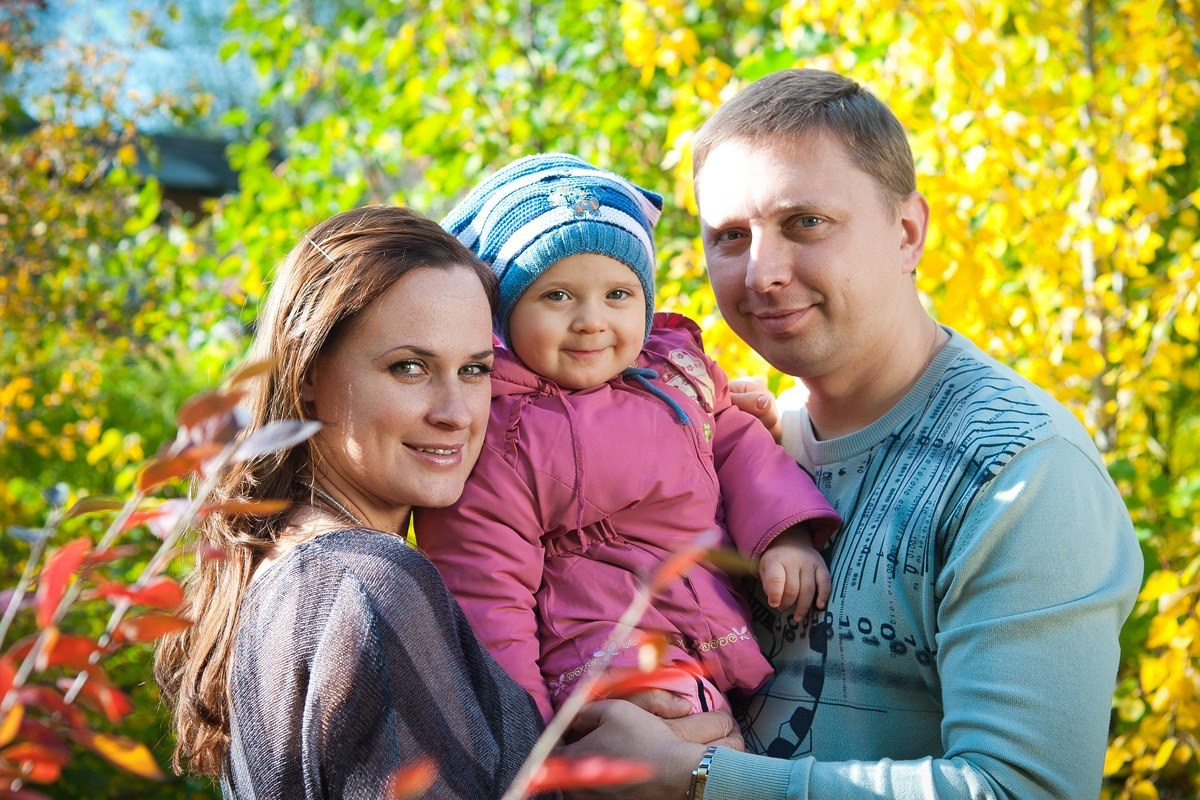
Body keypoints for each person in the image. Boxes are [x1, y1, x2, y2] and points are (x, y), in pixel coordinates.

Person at [561, 68, 1143, 799]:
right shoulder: (739, 445)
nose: (762, 272)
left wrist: (699, 777)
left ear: (906, 233)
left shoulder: (1020, 472)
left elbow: (1024, 790)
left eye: (805, 223)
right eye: (730, 237)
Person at [414, 154, 842, 723]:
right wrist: (527, 737)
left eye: (618, 294)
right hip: (604, 655)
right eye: (557, 297)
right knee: (680, 748)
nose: (592, 320)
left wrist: (784, 536)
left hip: (702, 627)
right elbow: (488, 593)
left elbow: (741, 448)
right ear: (504, 315)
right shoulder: (502, 431)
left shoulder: (678, 371)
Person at [154, 206, 543, 799]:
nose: (455, 412)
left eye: (474, 369)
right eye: (409, 367)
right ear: (308, 371)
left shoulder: (289, 568)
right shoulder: (366, 582)